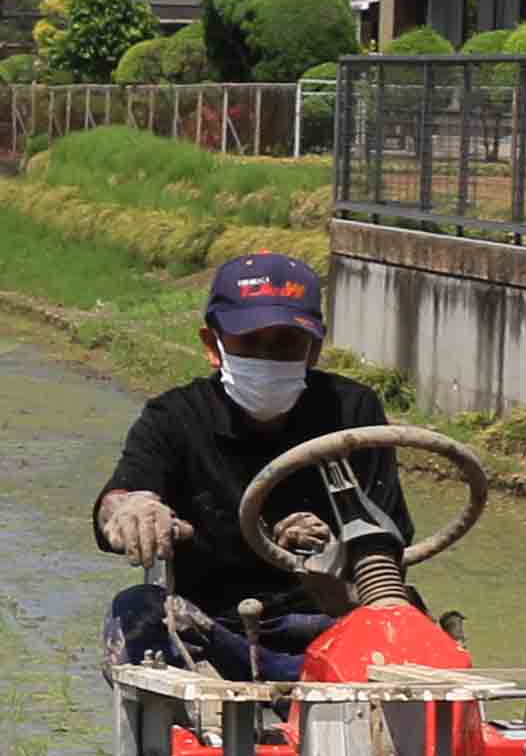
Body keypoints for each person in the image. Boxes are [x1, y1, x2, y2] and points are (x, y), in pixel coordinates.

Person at [94, 251, 415, 679]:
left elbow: (389, 548)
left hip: (337, 626)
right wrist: (130, 508)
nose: (268, 358)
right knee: (136, 611)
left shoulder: (354, 414)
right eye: (250, 343)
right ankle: (197, 721)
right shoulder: (175, 418)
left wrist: (329, 555)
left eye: (285, 344)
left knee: (407, 617)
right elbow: (121, 494)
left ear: (314, 349)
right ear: (214, 346)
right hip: (217, 630)